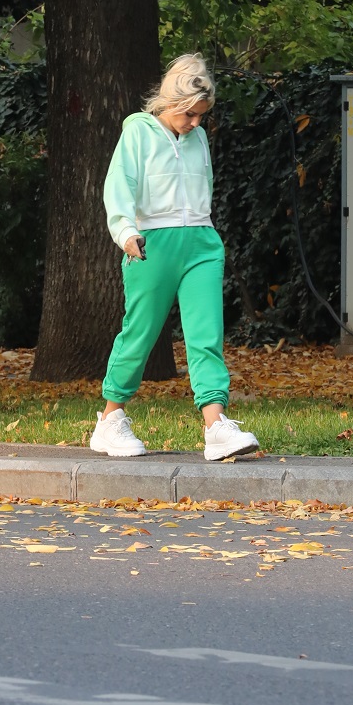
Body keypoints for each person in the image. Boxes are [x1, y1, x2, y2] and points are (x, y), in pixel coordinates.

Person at [89, 54, 260, 462]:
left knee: (206, 335)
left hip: (201, 242)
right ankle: (110, 420)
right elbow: (118, 186)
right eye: (190, 114)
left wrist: (206, 233)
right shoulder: (138, 132)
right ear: (170, 102)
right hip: (151, 244)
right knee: (140, 334)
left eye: (202, 115)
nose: (196, 123)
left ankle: (215, 426)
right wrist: (126, 232)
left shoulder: (197, 138)